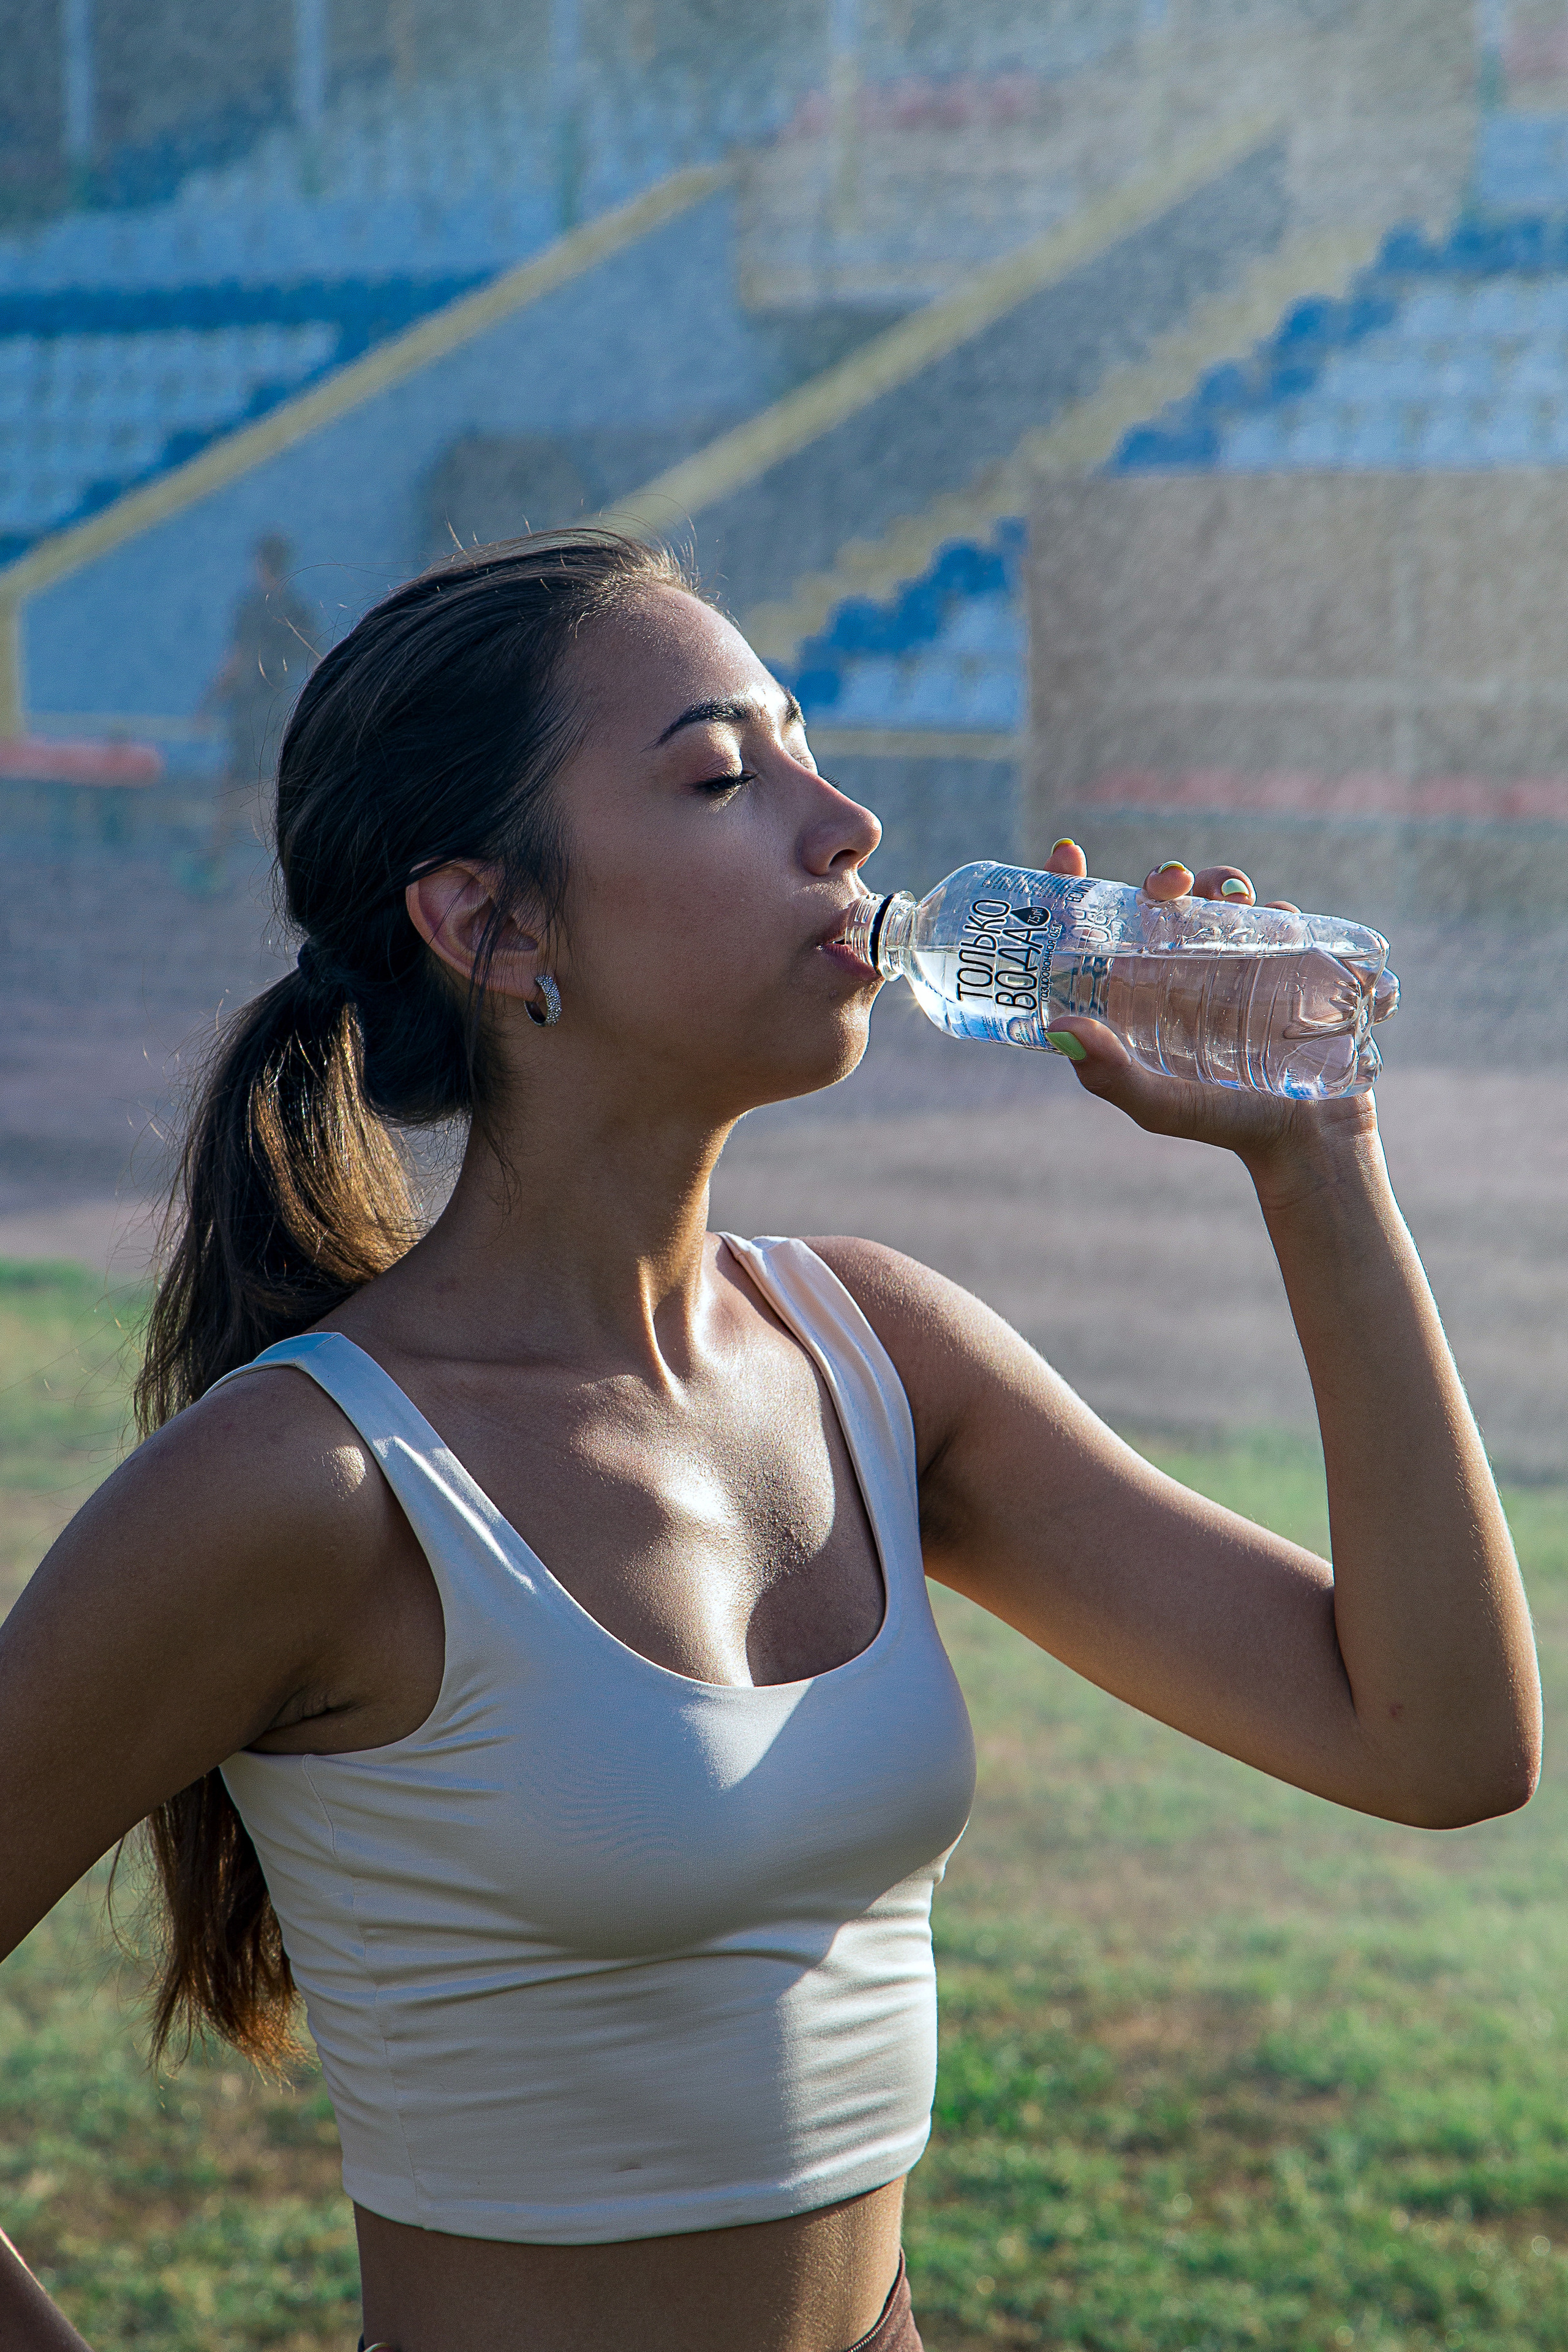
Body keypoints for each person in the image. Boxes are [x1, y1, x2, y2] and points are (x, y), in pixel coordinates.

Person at [0, 530, 1539, 2352]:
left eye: (806, 747)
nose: (849, 825)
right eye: (723, 776)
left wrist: (1317, 1152)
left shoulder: (877, 1355)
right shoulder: (311, 1484)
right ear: (491, 925)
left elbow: (1436, 1740)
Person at [195, 532, 318, 885]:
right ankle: (275, 866)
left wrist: (207, 704)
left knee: (238, 783)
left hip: (250, 709)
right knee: (266, 784)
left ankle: (217, 865)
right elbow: (316, 660)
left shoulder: (252, 607)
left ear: (260, 563)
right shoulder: (297, 608)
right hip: (278, 708)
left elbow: (236, 661)